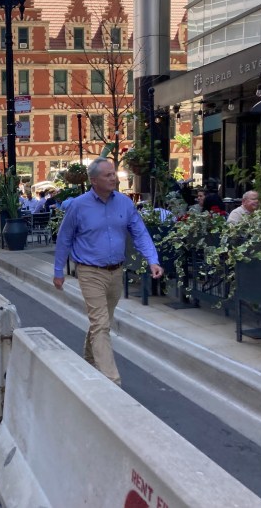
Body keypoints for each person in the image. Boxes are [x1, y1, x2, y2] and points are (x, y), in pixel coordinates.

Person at [53, 158, 163, 386]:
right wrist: (58, 271)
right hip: (89, 271)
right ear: (94, 181)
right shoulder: (78, 206)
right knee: (101, 323)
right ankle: (112, 381)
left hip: (116, 271)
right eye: (107, 175)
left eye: (114, 174)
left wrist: (153, 260)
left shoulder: (124, 203)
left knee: (102, 322)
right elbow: (64, 238)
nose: (113, 178)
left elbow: (140, 233)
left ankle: (89, 358)